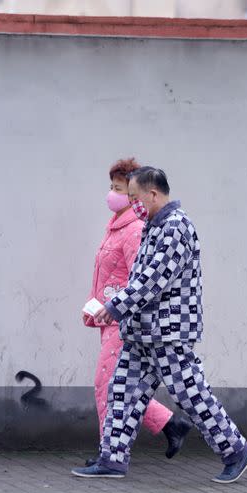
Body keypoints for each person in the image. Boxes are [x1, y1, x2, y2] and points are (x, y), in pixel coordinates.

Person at [72, 166, 247, 484]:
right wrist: (119, 309)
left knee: (191, 394)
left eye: (134, 196)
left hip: (167, 333)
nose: (132, 202)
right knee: (122, 392)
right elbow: (141, 280)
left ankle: (236, 451)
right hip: (143, 331)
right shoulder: (153, 226)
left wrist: (115, 307)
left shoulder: (175, 227)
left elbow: (151, 281)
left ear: (152, 193)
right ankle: (112, 459)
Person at [81, 158, 192, 467]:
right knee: (123, 387)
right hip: (109, 317)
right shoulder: (115, 227)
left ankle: (109, 454)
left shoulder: (133, 231)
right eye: (113, 187)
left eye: (121, 189)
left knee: (109, 386)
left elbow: (138, 280)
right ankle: (171, 425)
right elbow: (106, 275)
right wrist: (94, 305)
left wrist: (114, 307)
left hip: (123, 320)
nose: (114, 194)